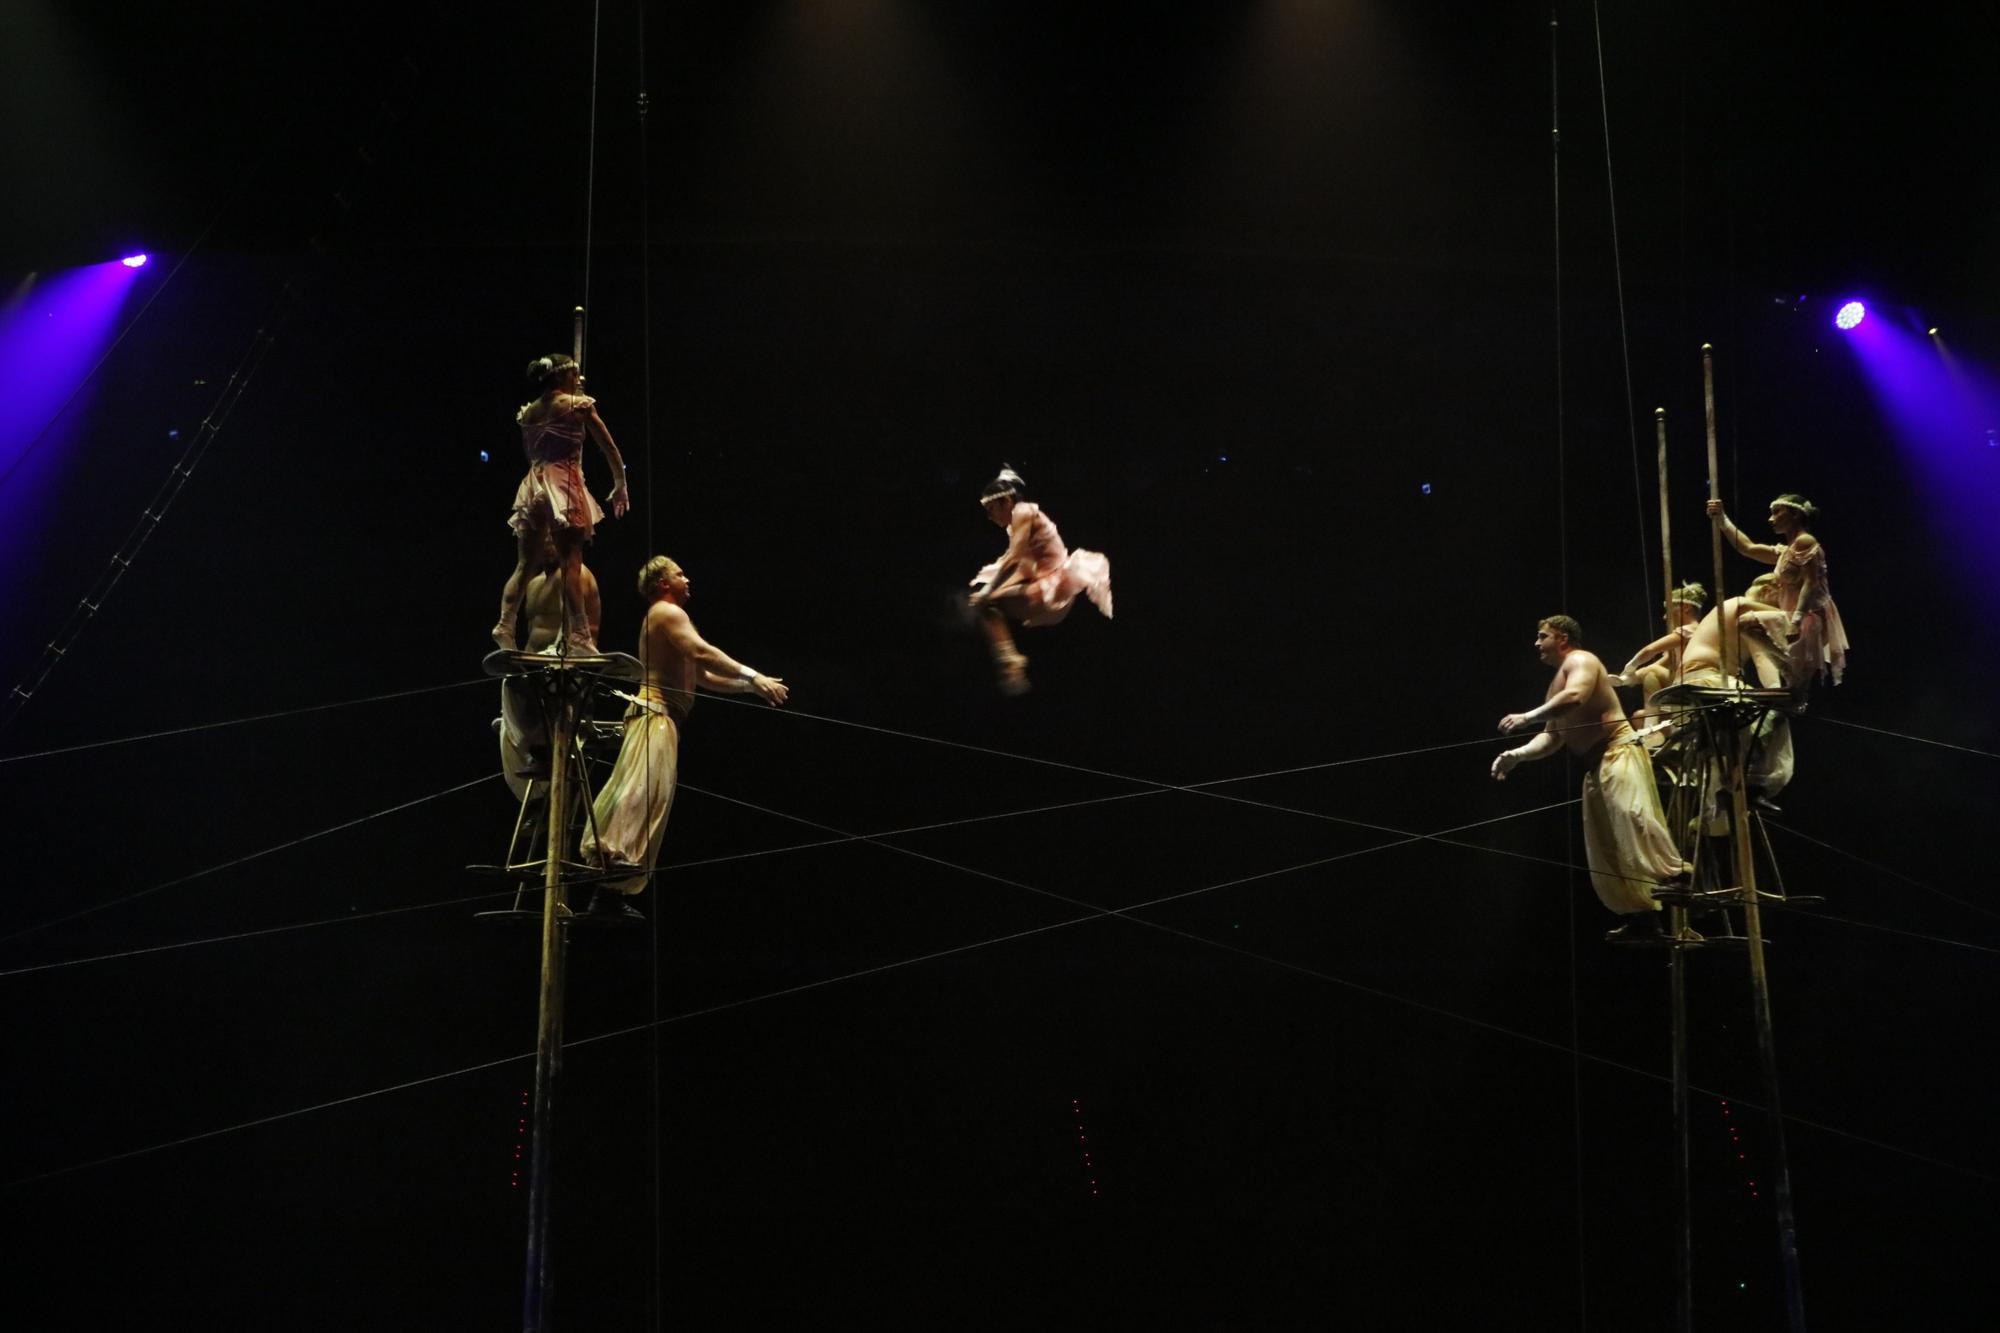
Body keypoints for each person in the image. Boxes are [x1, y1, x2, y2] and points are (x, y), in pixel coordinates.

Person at [579, 556, 789, 918]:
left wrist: (749, 689)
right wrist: (754, 676)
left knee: (650, 798)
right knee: (641, 792)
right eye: (679, 573)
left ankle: (610, 891)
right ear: (662, 582)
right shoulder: (666, 612)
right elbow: (701, 652)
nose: (687, 578)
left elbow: (703, 675)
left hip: (664, 718)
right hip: (654, 714)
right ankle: (609, 865)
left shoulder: (673, 618)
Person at [1491, 615, 1688, 943]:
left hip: (1618, 751)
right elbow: (1552, 738)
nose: (1536, 643)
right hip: (1596, 764)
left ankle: (1675, 876)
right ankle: (1641, 917)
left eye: (1543, 636)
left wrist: (1527, 716)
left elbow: (1575, 698)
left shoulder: (1581, 660)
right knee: (1606, 846)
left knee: (1632, 814)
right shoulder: (1555, 683)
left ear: (1563, 638)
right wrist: (1517, 755)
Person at [491, 353, 629, 655]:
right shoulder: (575, 405)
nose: (578, 379)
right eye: (574, 374)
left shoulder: (528, 413)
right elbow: (609, 446)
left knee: (525, 564)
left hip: (532, 485)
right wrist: (620, 484)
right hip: (562, 483)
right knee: (571, 563)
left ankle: (504, 624)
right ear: (562, 377)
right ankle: (579, 634)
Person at [967, 466, 1113, 695]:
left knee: (986, 604)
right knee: (985, 603)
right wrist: (990, 592)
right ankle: (1010, 663)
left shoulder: (1023, 512)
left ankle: (1011, 663)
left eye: (991, 508)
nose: (989, 516)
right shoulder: (1017, 527)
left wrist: (988, 595)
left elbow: (1014, 560)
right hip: (1052, 596)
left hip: (1051, 591)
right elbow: (1024, 570)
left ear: (1006, 500)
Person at [498, 534, 603, 801]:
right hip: (539, 665)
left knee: (523, 686)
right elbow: (533, 634)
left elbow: (574, 629)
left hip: (569, 664)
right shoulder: (532, 584)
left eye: (551, 539)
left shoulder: (575, 577)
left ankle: (538, 745)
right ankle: (527, 740)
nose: (546, 546)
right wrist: (520, 663)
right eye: (541, 540)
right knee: (511, 682)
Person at [1705, 493, 1849, 687]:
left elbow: (1810, 583)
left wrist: (1796, 620)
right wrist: (1722, 519)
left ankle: (1788, 671)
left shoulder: (1805, 542)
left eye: (1776, 513)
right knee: (1747, 625)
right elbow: (1748, 548)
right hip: (1790, 612)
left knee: (1748, 622)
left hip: (1808, 614)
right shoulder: (1786, 551)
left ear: (1795, 515)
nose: (1771, 518)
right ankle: (1788, 672)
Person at [1616, 582, 1707, 716]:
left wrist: (1630, 666)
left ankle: (1651, 723)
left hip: (1695, 681)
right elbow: (1659, 663)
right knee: (1638, 717)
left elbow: (1650, 650)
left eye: (1669, 611)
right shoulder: (1691, 634)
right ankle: (1651, 722)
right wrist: (1625, 679)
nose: (1665, 617)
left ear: (1685, 607)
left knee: (1653, 673)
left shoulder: (1691, 630)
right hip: (1685, 683)